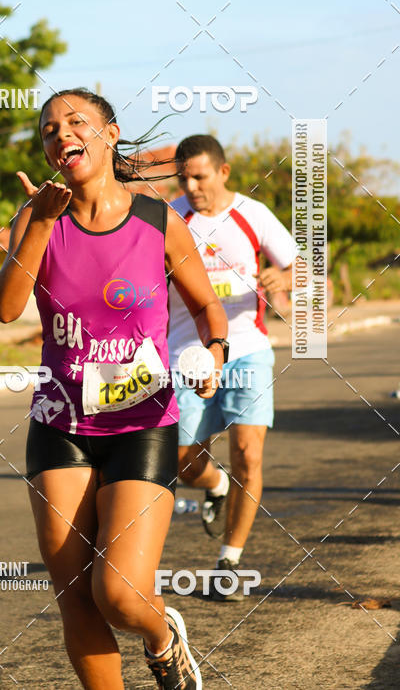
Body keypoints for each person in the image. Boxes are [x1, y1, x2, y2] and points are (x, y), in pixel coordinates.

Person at [0, 90, 228, 690]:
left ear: (111, 134)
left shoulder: (155, 219)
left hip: (141, 422)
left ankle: (162, 637)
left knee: (119, 593)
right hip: (59, 423)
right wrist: (40, 222)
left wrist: (215, 352)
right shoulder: (36, 217)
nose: (60, 135)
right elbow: (5, 307)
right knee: (75, 596)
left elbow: (205, 305)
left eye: (75, 123)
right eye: (48, 130)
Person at [168, 136, 296, 600]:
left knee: (249, 453)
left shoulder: (251, 214)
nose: (191, 186)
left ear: (223, 172)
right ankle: (215, 484)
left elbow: (305, 266)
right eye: (184, 177)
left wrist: (283, 277)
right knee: (183, 463)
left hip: (245, 350)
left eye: (200, 176)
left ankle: (230, 560)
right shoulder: (171, 216)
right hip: (187, 354)